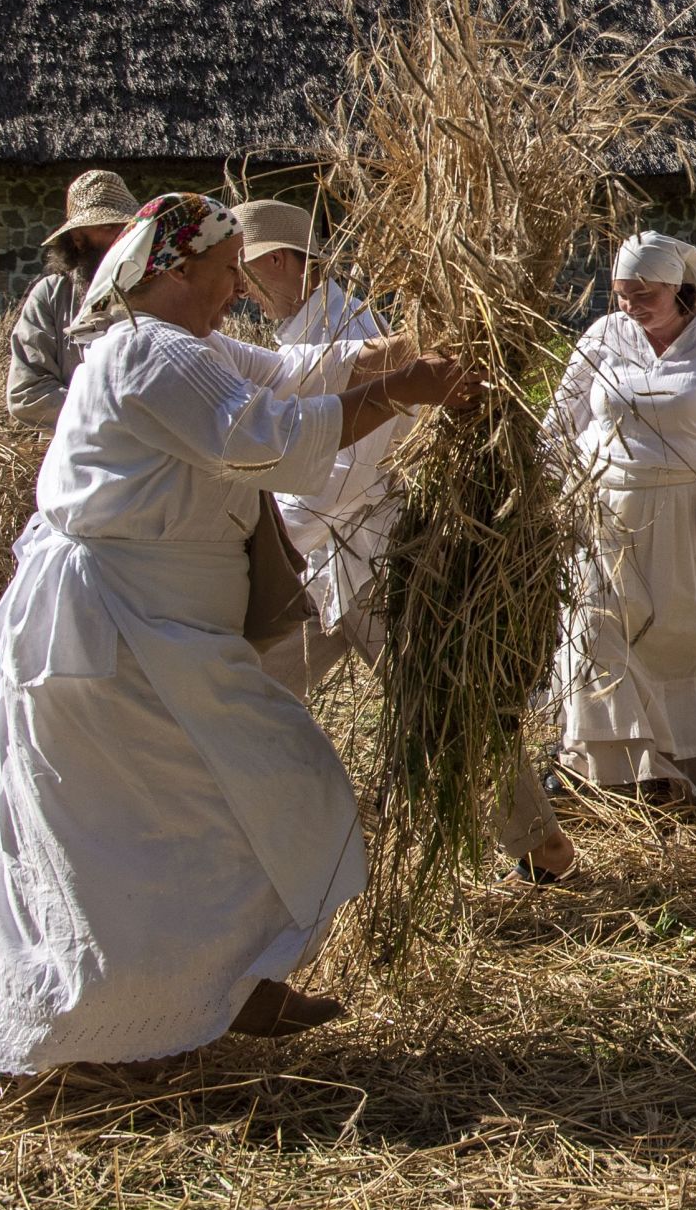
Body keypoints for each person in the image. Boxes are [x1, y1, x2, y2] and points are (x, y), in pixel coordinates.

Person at [0, 194, 477, 1072]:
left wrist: (405, 349)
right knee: (138, 828)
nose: (236, 292)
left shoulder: (194, 347)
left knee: (216, 806)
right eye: (223, 275)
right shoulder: (146, 351)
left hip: (167, 634)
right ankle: (122, 1013)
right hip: (114, 638)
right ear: (173, 272)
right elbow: (264, 436)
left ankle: (227, 987)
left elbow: (292, 373)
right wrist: (398, 392)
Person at [231, 200, 575, 882]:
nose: (241, 287)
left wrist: (266, 528)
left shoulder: (349, 325)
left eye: (245, 270)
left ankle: (544, 847)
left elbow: (348, 470)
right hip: (318, 564)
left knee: (448, 710)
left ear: (277, 260)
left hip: (369, 561)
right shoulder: (302, 333)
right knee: (245, 692)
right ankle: (263, 848)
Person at [548, 232, 696, 802]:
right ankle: (605, 768)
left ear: (679, 287)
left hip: (690, 513)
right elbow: (560, 421)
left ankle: (673, 766)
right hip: (604, 513)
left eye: (644, 293)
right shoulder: (603, 337)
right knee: (593, 633)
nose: (630, 305)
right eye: (622, 293)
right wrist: (542, 490)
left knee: (680, 638)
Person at [4, 169, 139, 427]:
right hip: (77, 451)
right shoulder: (51, 296)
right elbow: (27, 394)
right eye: (109, 227)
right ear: (78, 238)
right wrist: (116, 415)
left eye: (128, 227)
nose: (122, 237)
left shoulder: (156, 287)